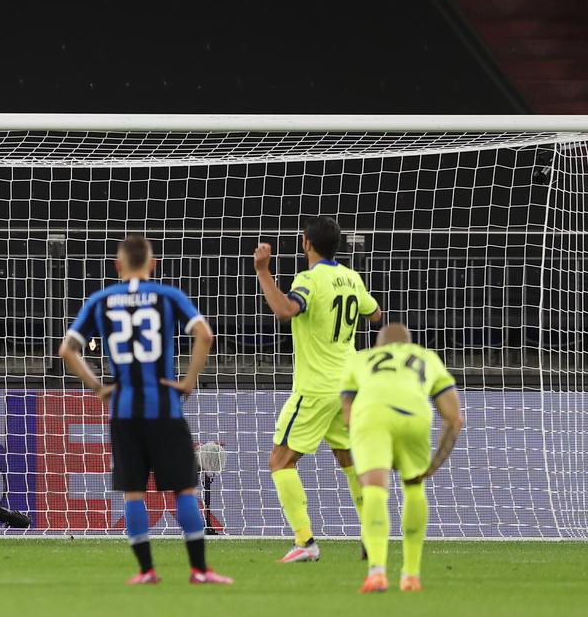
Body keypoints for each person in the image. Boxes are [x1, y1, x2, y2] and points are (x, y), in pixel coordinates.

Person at [59, 234, 232, 586]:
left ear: (118, 266)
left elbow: (68, 350)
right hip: (164, 406)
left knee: (134, 492)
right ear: (152, 265)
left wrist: (97, 387)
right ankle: (199, 570)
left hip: (124, 409)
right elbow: (205, 335)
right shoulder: (168, 296)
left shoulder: (102, 299)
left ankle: (145, 571)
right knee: (184, 489)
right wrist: (187, 381)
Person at [253, 216, 382, 563]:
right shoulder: (352, 278)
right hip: (350, 386)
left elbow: (284, 310)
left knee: (280, 461)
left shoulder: (310, 280)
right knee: (348, 458)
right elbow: (375, 313)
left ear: (306, 243)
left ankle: (305, 542)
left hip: (317, 388)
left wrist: (263, 271)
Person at [341, 323, 463, 593]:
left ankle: (376, 572)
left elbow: (347, 413)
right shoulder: (427, 357)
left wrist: (367, 446)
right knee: (414, 486)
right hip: (415, 417)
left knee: (374, 489)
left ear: (377, 346)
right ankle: (411, 575)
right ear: (409, 345)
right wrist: (434, 464)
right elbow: (454, 418)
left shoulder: (360, 359)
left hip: (371, 416)